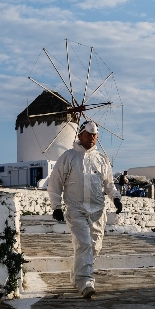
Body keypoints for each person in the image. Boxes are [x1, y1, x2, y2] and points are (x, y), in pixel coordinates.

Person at [47, 121, 123, 298]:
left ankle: (76, 276)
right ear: (80, 135)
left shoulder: (101, 159)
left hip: (98, 211)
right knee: (84, 244)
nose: (92, 137)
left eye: (95, 135)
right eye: (89, 134)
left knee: (95, 247)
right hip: (76, 209)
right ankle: (85, 281)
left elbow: (109, 183)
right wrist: (56, 206)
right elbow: (55, 182)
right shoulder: (69, 157)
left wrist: (116, 198)